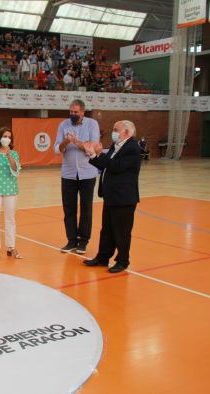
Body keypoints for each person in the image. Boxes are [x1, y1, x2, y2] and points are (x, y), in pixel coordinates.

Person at [83, 121, 141, 273]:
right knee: (107, 230)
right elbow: (105, 165)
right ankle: (102, 257)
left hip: (124, 197)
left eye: (116, 130)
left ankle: (123, 261)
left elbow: (116, 167)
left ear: (127, 132)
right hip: (110, 196)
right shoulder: (116, 146)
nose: (113, 132)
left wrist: (99, 154)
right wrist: (92, 154)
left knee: (121, 232)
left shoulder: (132, 148)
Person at [54, 99, 100, 254]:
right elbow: (57, 149)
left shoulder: (92, 124)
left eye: (76, 112)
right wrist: (66, 141)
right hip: (68, 174)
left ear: (82, 112)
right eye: (71, 112)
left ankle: (83, 241)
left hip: (88, 173)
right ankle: (71, 240)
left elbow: (92, 148)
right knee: (69, 209)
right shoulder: (63, 125)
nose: (73, 114)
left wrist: (76, 142)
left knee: (86, 208)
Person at [0, 127, 22, 260]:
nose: (6, 139)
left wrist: (8, 155)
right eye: (4, 136)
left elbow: (16, 170)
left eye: (9, 137)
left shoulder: (14, 153)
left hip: (10, 189)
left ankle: (11, 247)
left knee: (10, 219)